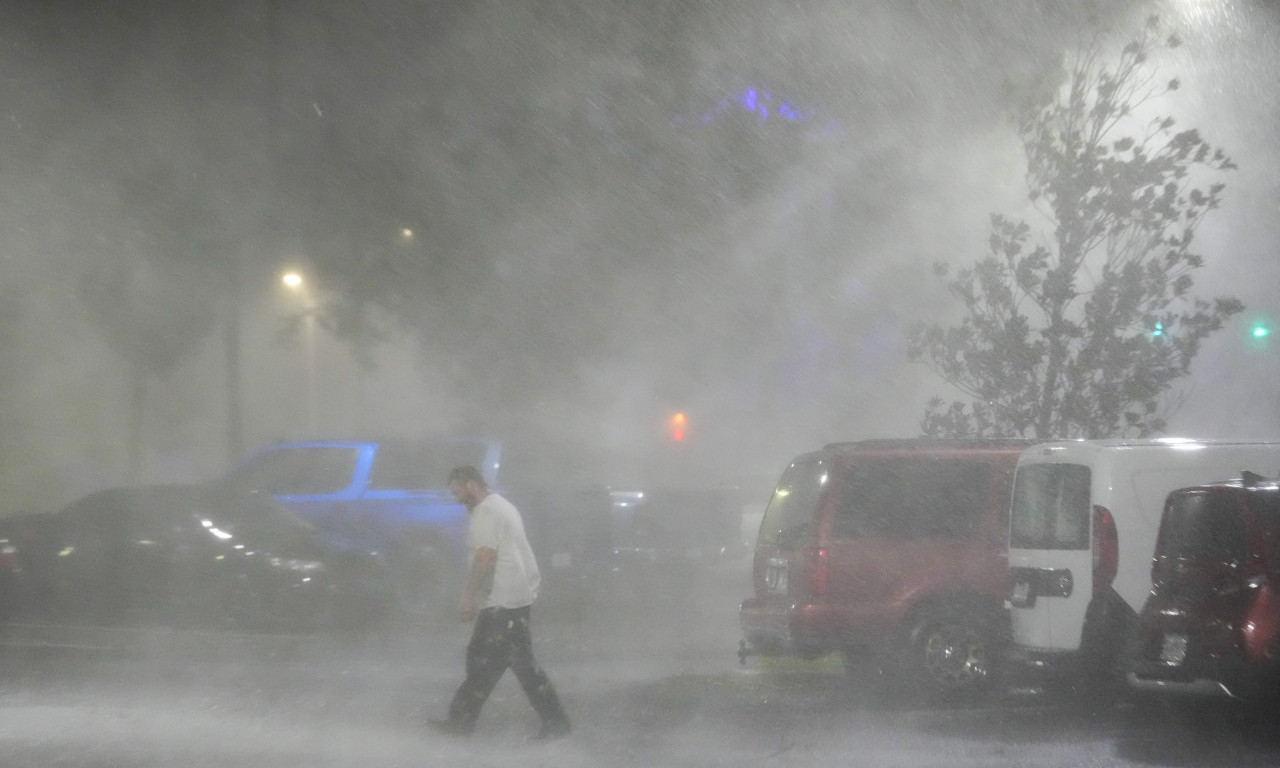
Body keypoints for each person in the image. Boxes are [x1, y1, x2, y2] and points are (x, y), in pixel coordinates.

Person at [428, 465, 571, 740]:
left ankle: (556, 724)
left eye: (458, 493)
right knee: (487, 662)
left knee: (517, 666)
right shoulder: (502, 505)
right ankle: (461, 721)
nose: (457, 500)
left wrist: (467, 597)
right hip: (512, 598)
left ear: (471, 484)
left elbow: (485, 558)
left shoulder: (486, 511)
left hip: (503, 602)